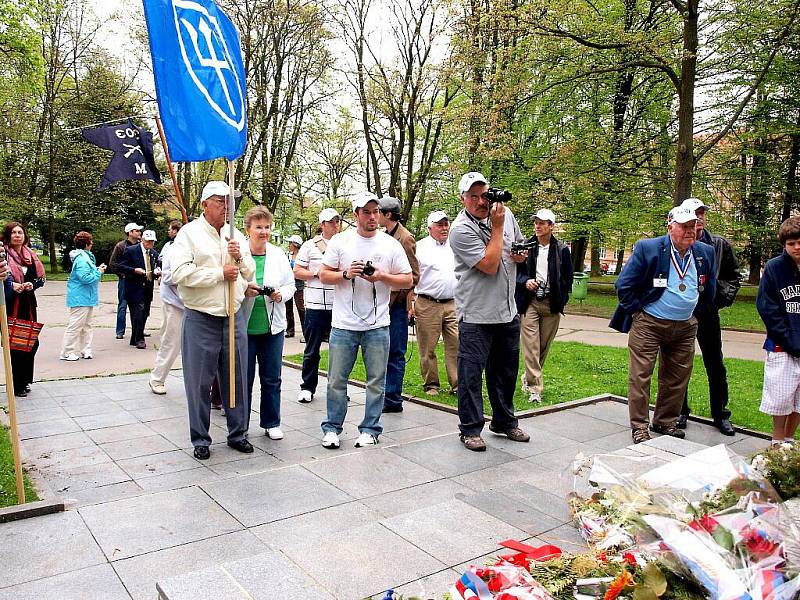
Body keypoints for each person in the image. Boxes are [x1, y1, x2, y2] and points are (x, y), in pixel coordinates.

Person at [610, 205, 717, 444]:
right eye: (684, 226)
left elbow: (710, 290)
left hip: (685, 325)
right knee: (641, 375)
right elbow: (624, 285)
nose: (690, 231)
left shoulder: (705, 252)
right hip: (649, 323)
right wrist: (639, 312)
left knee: (677, 377)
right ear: (670, 226)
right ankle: (639, 426)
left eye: (693, 226)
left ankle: (665, 421)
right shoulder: (649, 248)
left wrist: (695, 314)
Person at [318, 192, 412, 449]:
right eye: (366, 212)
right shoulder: (340, 241)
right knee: (336, 380)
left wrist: (382, 276)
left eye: (376, 212)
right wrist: (346, 274)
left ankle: (370, 429)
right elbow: (323, 274)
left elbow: (408, 279)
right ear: (355, 215)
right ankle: (332, 428)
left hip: (378, 324)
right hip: (343, 325)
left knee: (376, 380)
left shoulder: (390, 244)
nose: (372, 217)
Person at [170, 181, 256, 460]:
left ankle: (238, 433)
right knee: (199, 382)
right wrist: (220, 273)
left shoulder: (235, 235)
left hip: (233, 317)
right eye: (220, 201)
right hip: (201, 318)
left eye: (229, 202)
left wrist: (240, 257)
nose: (226, 207)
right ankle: (200, 438)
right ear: (205, 204)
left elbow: (249, 273)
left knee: (237, 378)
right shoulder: (189, 234)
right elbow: (180, 273)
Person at [450, 172, 531, 452]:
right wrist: (496, 228)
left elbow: (518, 245)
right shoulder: (459, 229)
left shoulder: (505, 215)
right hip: (476, 314)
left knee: (506, 373)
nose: (481, 201)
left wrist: (521, 254)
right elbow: (489, 265)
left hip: (507, 310)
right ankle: (470, 429)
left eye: (483, 194)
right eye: (473, 196)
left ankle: (504, 421)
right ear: (463, 199)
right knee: (471, 375)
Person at [677, 198, 740, 435]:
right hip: (681, 313)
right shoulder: (676, 242)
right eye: (695, 214)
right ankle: (680, 411)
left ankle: (720, 414)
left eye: (702, 213)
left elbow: (733, 277)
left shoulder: (718, 244)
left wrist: (718, 299)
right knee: (679, 363)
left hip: (707, 313)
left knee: (715, 364)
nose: (699, 218)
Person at [241, 206, 296, 440]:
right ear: (248, 229)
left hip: (273, 326)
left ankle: (271, 421)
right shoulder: (238, 252)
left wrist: (280, 294)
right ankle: (240, 423)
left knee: (272, 377)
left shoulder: (278, 254)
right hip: (244, 326)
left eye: (267, 227)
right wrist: (246, 290)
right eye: (258, 227)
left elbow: (290, 284)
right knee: (243, 378)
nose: (263, 232)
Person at [515, 208, 573, 403]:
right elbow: (515, 271)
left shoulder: (562, 249)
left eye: (542, 222)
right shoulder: (526, 246)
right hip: (529, 301)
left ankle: (528, 377)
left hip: (552, 303)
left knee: (543, 347)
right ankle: (535, 390)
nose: (538, 226)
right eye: (536, 222)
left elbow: (567, 278)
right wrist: (525, 281)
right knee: (531, 346)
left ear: (551, 226)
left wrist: (562, 298)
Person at [756, 216, 800, 445]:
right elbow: (767, 307)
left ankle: (790, 440)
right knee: (781, 397)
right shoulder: (774, 268)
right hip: (782, 344)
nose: (797, 247)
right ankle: (777, 440)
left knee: (799, 400)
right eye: (791, 243)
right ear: (784, 244)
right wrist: (790, 340)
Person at [294, 208, 340, 403]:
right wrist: (316, 275)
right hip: (315, 304)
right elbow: (297, 270)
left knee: (339, 350)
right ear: (322, 225)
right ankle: (307, 387)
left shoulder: (345, 243)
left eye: (337, 221)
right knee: (312, 349)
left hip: (339, 304)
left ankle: (337, 388)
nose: (335, 225)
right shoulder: (309, 246)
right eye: (331, 222)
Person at [378, 196, 420, 413]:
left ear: (387, 215)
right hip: (384, 304)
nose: (374, 216)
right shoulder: (385, 236)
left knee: (396, 351)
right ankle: (386, 393)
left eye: (378, 212)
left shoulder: (405, 238)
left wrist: (389, 283)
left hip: (397, 305)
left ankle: (393, 399)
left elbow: (414, 275)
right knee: (384, 351)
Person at [411, 210, 458, 396]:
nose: (444, 228)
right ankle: (431, 384)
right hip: (427, 302)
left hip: (453, 302)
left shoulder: (455, 245)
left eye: (446, 224)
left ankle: (457, 384)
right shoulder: (420, 247)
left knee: (456, 344)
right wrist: (411, 302)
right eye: (439, 225)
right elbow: (413, 276)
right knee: (428, 347)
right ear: (430, 227)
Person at [3, 221, 46, 397]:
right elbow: (3, 279)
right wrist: (12, 285)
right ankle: (16, 384)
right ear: (8, 235)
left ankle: (25, 379)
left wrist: (31, 284)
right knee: (16, 344)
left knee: (31, 343)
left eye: (20, 232)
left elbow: (40, 279)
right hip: (12, 305)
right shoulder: (4, 255)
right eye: (13, 232)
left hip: (28, 304)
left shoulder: (31, 255)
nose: (17, 235)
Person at [149, 230, 185, 395]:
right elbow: (167, 276)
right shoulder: (174, 250)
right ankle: (157, 378)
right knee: (171, 342)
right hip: (175, 304)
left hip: (197, 305)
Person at [60, 232, 106, 361]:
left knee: (87, 325)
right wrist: (99, 272)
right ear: (86, 244)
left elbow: (86, 274)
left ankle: (85, 349)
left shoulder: (84, 257)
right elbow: (85, 278)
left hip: (86, 297)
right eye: (91, 241)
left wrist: (96, 270)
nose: (92, 243)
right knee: (75, 325)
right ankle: (67, 351)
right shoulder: (82, 258)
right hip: (80, 297)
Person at [117, 229, 160, 349]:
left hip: (147, 287)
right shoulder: (131, 250)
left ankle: (135, 338)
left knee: (144, 313)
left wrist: (157, 272)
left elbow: (156, 266)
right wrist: (134, 270)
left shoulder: (153, 253)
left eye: (152, 242)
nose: (149, 244)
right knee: (138, 312)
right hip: (134, 287)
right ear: (142, 240)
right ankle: (140, 339)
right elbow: (120, 265)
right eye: (147, 242)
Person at [108, 222, 142, 339]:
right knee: (123, 305)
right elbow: (113, 263)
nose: (139, 232)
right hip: (125, 280)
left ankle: (138, 330)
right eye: (136, 230)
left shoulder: (141, 245)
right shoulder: (120, 246)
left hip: (137, 281)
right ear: (130, 232)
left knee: (138, 306)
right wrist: (121, 275)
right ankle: (120, 331)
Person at [285, 235, 305, 339]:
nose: (289, 245)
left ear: (295, 245)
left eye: (290, 243)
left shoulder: (302, 256)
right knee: (288, 308)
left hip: (298, 284)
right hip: (288, 284)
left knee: (300, 308)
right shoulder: (288, 255)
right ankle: (290, 330)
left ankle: (306, 332)